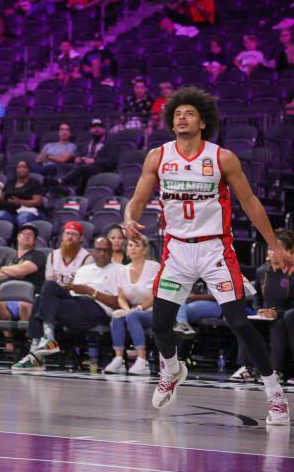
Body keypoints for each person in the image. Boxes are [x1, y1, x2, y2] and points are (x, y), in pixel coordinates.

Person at [124, 86, 293, 423]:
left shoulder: (221, 157)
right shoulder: (158, 156)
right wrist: (129, 218)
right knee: (159, 325)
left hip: (215, 248)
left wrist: (274, 243)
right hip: (177, 252)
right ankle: (172, 370)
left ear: (203, 122)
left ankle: (274, 392)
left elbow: (249, 202)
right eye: (176, 114)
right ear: (171, 125)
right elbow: (138, 199)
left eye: (188, 113)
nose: (181, 117)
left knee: (239, 323)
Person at [12, 236, 120, 371]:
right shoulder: (84, 270)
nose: (102, 253)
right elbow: (74, 296)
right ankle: (46, 339)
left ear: (112, 252)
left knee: (43, 302)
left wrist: (90, 291)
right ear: (93, 251)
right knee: (46, 290)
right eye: (99, 250)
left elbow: (118, 303)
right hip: (77, 304)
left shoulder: (119, 270)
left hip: (98, 310)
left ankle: (36, 354)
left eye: (106, 250)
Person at [235, 234, 294, 381]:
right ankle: (247, 369)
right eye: (270, 249)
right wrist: (259, 311)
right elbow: (257, 297)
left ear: (289, 252)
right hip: (266, 315)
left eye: (278, 249)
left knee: (278, 325)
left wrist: (277, 313)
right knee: (245, 323)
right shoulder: (262, 271)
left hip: (284, 315)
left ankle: (275, 371)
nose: (273, 252)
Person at [104, 238, 160, 375]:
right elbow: (121, 297)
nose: (133, 248)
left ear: (145, 249)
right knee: (117, 314)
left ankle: (142, 360)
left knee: (133, 316)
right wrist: (127, 311)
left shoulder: (154, 267)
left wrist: (138, 309)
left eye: (137, 245)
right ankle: (119, 359)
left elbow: (156, 295)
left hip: (154, 311)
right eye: (130, 245)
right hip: (133, 310)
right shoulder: (122, 270)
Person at [0, 224, 46, 321]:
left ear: (35, 240)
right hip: (6, 295)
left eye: (31, 234)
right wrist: (13, 271)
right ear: (18, 237)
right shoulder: (8, 255)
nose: (27, 235)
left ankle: (28, 336)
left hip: (28, 296)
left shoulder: (38, 255)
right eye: (23, 233)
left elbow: (21, 271)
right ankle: (7, 336)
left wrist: (3, 269)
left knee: (24, 305)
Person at [0, 161, 44, 226]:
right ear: (16, 170)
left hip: (28, 211)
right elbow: (2, 201)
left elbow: (38, 202)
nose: (22, 169)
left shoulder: (34, 183)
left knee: (22, 218)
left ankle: (22, 236)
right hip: (10, 212)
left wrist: (20, 201)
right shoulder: (10, 183)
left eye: (24, 167)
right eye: (19, 167)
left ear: (28, 170)